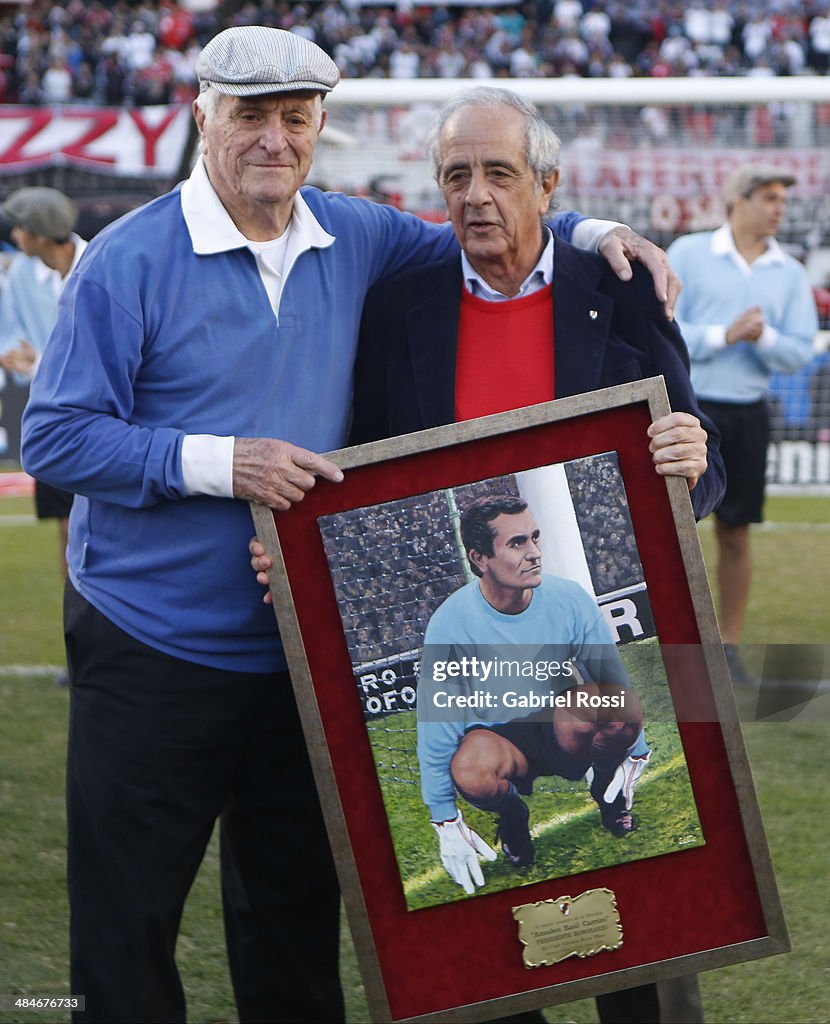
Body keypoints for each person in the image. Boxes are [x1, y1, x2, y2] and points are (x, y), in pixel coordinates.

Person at [20, 28, 679, 1024]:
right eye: (250, 114)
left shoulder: (357, 234)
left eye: (295, 117)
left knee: (291, 923)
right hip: (155, 647)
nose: (273, 139)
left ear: (320, 125)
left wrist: (594, 233)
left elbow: (493, 217)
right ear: (201, 113)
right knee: (127, 928)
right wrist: (218, 461)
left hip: (304, 653)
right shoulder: (124, 262)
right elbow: (56, 438)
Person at [254, 86, 721, 1024]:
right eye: (455, 175)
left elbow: (692, 456)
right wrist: (297, 560)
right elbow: (358, 475)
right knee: (491, 967)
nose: (475, 194)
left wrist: (694, 458)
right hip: (475, 664)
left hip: (580, 636)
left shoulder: (619, 288)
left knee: (654, 947)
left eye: (499, 174)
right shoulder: (400, 305)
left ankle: (613, 796)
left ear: (547, 186)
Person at [417, 493, 649, 888]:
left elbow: (612, 682)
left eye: (535, 538)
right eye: (517, 543)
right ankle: (512, 817)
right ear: (480, 558)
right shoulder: (450, 625)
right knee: (471, 771)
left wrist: (634, 751)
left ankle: (607, 790)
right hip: (498, 738)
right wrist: (444, 817)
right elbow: (437, 723)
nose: (535, 552)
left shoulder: (569, 598)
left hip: (561, 725)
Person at [667, 164, 817, 685]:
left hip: (749, 413)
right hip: (687, 410)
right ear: (738, 201)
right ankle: (675, 651)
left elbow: (800, 350)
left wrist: (763, 339)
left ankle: (727, 649)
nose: (779, 208)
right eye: (770, 198)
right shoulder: (688, 252)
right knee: (668, 533)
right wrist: (722, 335)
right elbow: (664, 324)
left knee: (736, 533)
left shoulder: (789, 272)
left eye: (783, 199)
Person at [0, 187, 87, 687]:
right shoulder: (20, 279)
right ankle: (80, 654)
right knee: (68, 534)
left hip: (110, 425)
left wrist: (40, 363)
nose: (13, 237)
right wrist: (23, 361)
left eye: (18, 228)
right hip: (55, 425)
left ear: (37, 232)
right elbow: (12, 341)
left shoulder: (104, 259)